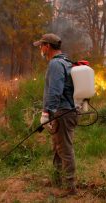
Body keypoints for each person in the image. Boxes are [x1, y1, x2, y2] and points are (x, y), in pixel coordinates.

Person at [33, 33, 78, 196]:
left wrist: (46, 112)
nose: (40, 48)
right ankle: (57, 178)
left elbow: (55, 91)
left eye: (41, 45)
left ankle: (70, 186)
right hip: (66, 111)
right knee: (58, 147)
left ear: (48, 46)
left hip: (63, 112)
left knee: (65, 149)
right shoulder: (66, 62)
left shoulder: (55, 64)